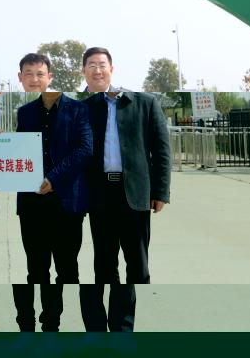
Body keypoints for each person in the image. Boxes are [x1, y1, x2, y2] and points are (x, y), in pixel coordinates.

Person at [77, 46, 171, 332]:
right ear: (84, 71)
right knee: (105, 265)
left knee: (137, 267)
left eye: (102, 64)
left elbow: (161, 150)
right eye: (91, 65)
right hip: (101, 195)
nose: (97, 70)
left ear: (112, 69)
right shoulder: (85, 108)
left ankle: (123, 327)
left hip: (135, 195)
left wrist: (160, 192)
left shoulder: (144, 103)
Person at [11, 53, 92, 332]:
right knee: (35, 269)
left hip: (67, 203)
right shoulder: (25, 112)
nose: (34, 79)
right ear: (20, 78)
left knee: (67, 270)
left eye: (40, 73)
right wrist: (0, 147)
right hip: (32, 204)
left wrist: (53, 179)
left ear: (50, 77)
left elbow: (84, 150)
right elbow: (20, 152)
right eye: (28, 74)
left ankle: (52, 324)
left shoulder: (78, 110)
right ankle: (27, 325)